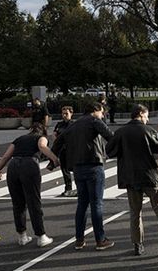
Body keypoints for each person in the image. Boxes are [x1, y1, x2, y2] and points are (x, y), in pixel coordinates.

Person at [106, 104, 158, 256]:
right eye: (146, 115)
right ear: (140, 114)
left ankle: (138, 244)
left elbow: (110, 151)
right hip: (150, 175)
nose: (147, 118)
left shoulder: (120, 132)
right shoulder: (148, 131)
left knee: (135, 212)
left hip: (130, 177)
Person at [51, 102, 115, 251]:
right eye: (102, 112)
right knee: (96, 204)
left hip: (77, 168)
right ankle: (100, 239)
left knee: (82, 204)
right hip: (94, 165)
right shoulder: (94, 121)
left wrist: (53, 160)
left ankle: (79, 239)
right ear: (96, 110)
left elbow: (57, 143)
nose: (103, 115)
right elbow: (110, 136)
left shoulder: (73, 125)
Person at [0, 123, 58, 247]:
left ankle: (22, 236)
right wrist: (55, 159)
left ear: (30, 130)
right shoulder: (41, 138)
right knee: (33, 201)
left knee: (18, 203)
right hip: (29, 164)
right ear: (43, 132)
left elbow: (7, 155)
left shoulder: (19, 139)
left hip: (13, 166)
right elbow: (42, 146)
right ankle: (41, 236)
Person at [52, 106, 76, 197]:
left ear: (71, 113)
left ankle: (79, 188)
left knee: (75, 169)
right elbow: (54, 134)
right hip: (62, 149)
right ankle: (68, 188)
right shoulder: (59, 124)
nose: (64, 115)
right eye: (63, 114)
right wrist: (56, 141)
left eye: (66, 113)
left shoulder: (74, 124)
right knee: (65, 170)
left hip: (71, 149)